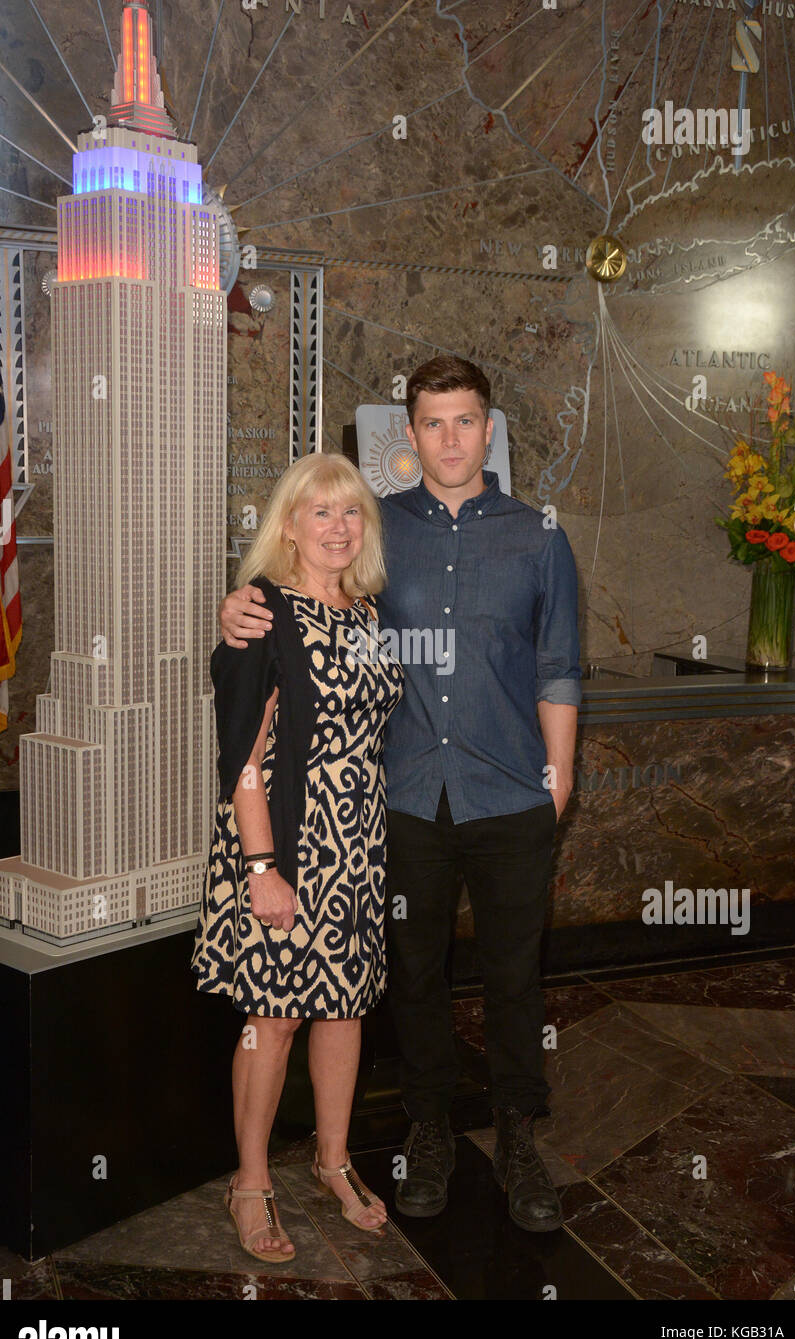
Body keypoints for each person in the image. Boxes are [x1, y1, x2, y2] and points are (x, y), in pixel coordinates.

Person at [217, 356, 581, 1233]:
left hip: (507, 798)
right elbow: (288, 610)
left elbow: (560, 666)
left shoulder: (538, 535)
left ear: (489, 429)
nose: (450, 437)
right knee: (410, 980)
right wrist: (233, 609)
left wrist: (559, 783)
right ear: (408, 436)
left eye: (465, 421)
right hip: (402, 807)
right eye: (432, 423)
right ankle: (427, 1134)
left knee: (512, 979)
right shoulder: (381, 531)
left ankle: (519, 1138)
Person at [191, 451, 404, 1262]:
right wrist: (261, 869)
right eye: (321, 513)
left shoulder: (369, 615)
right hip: (282, 846)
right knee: (273, 1020)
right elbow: (242, 756)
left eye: (352, 512)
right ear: (288, 526)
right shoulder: (261, 614)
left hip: (358, 847)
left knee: (345, 1007)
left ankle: (333, 1161)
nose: (339, 527)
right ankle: (249, 1183)